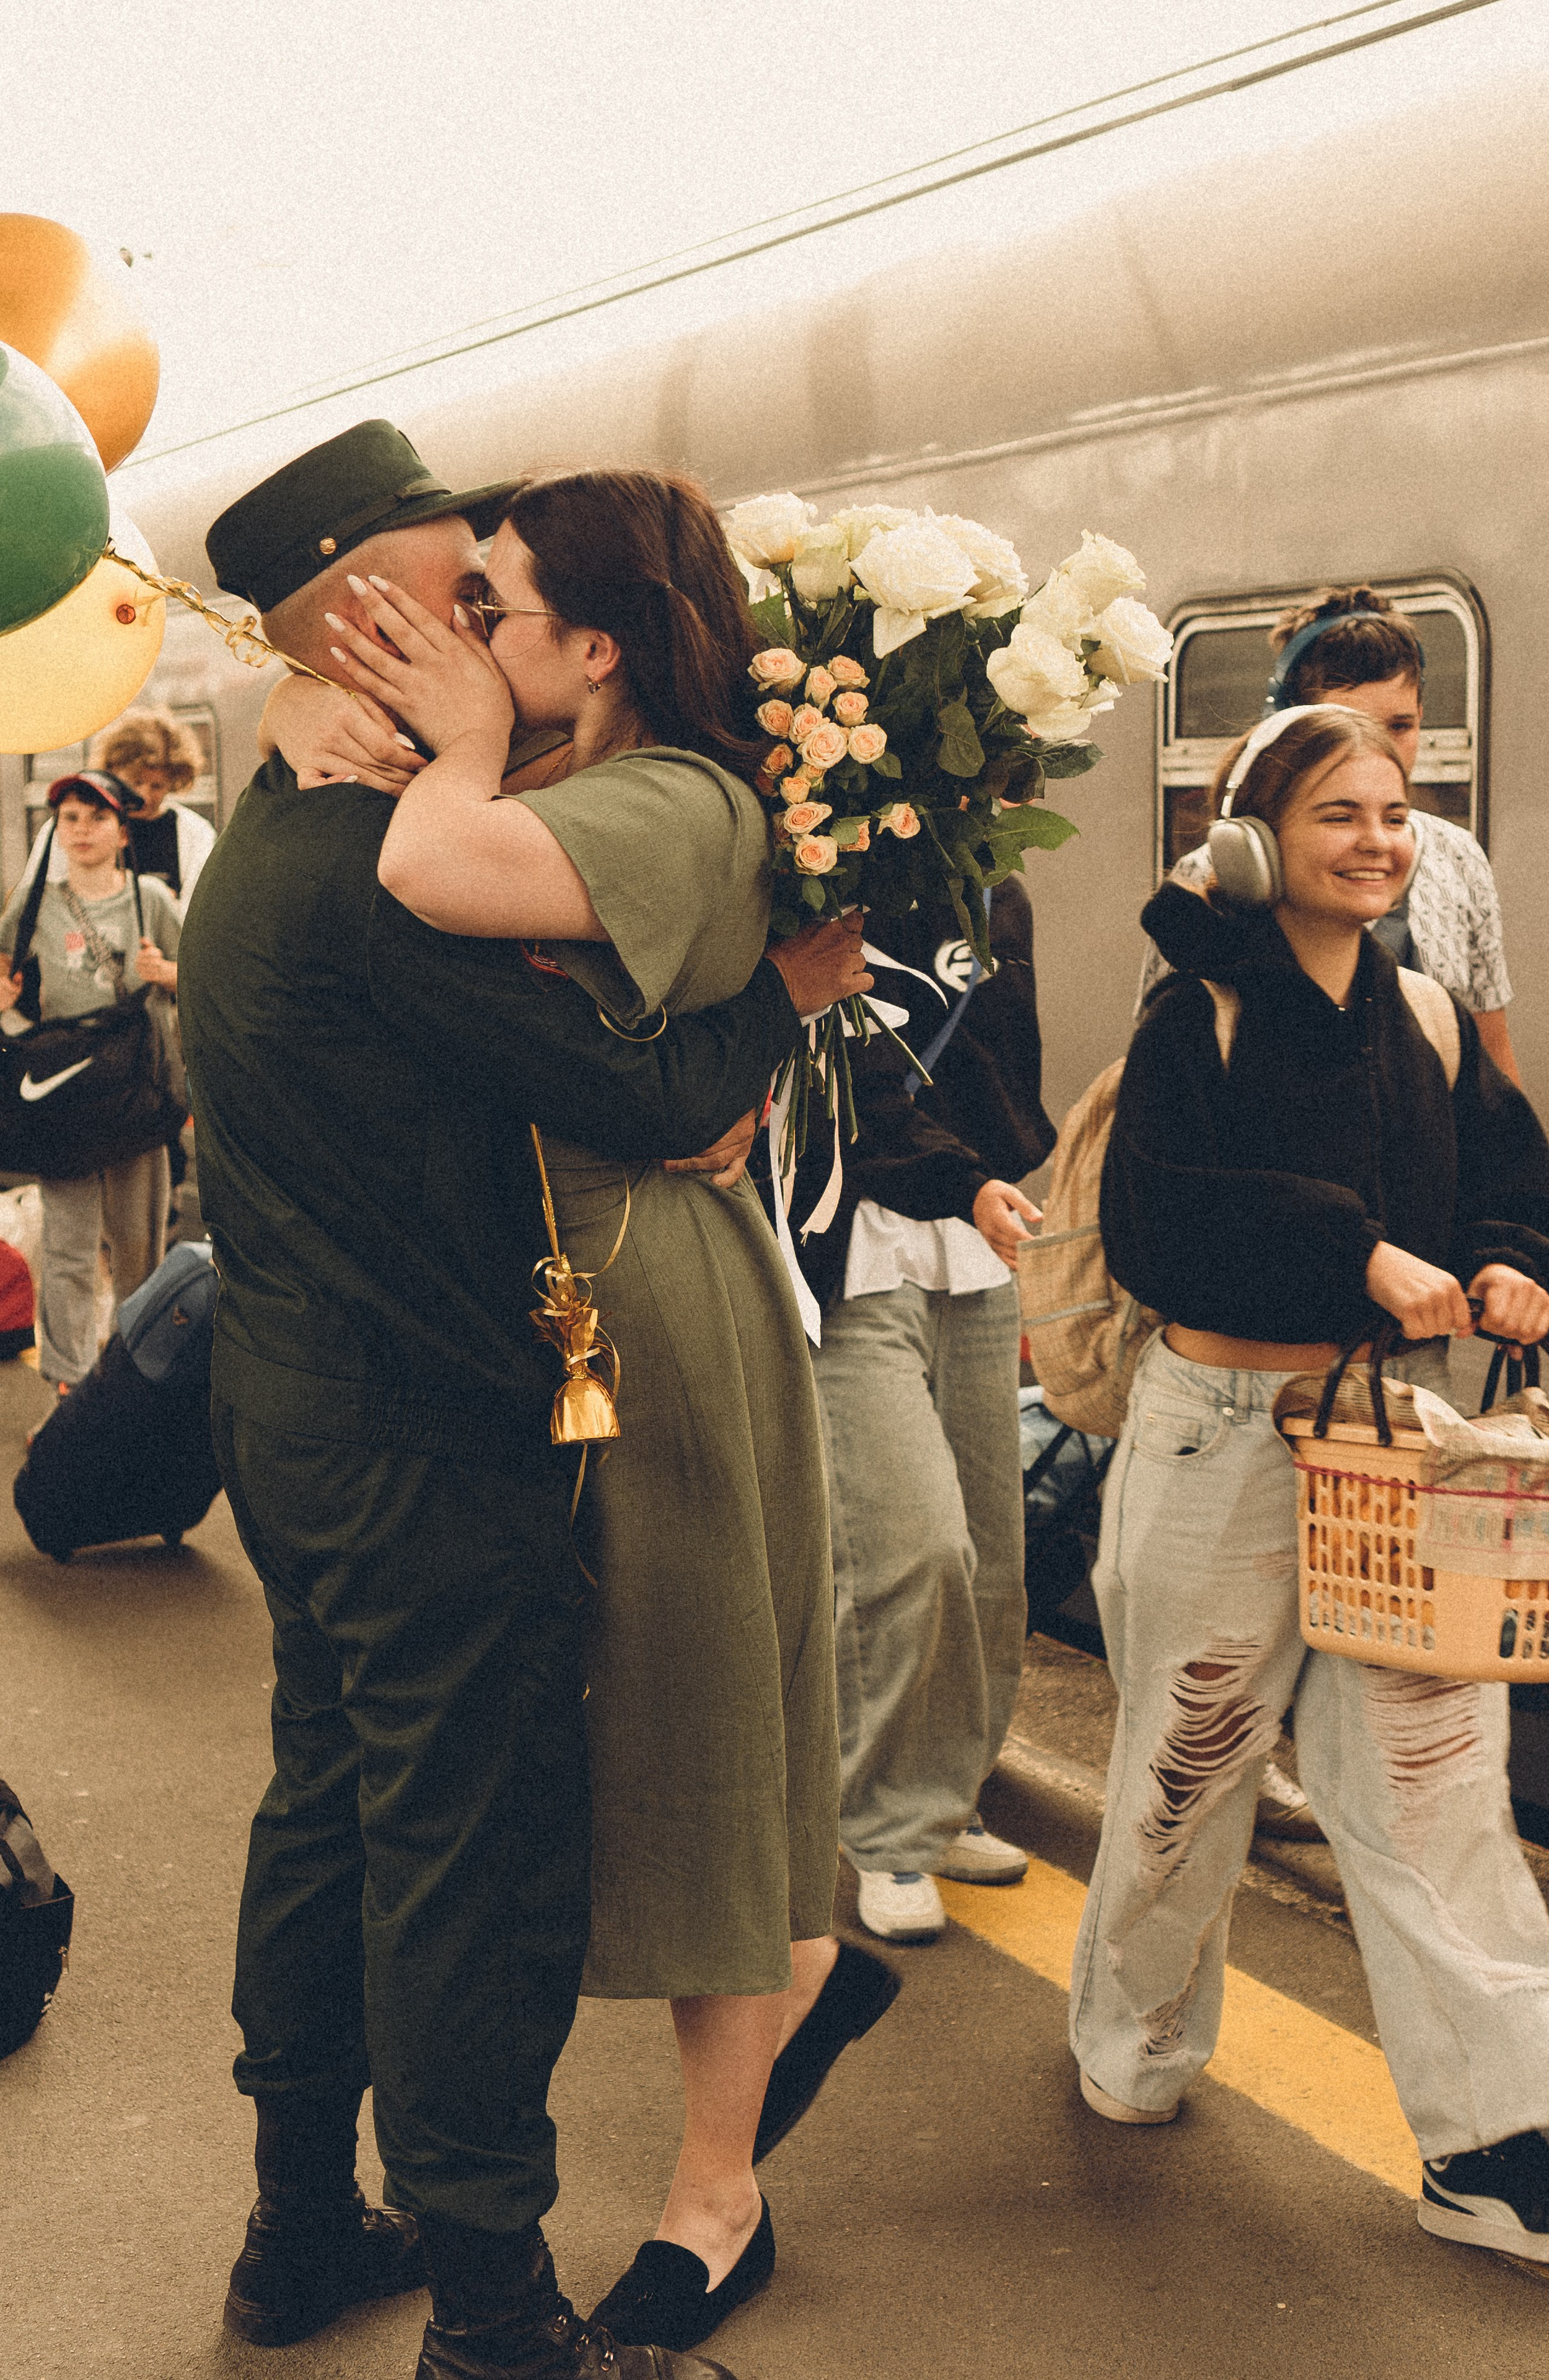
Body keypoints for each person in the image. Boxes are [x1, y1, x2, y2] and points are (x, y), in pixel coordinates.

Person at [188, 420, 869, 2380]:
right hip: (424, 1437)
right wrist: (787, 989)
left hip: (293, 1411)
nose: (485, 615)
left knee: (325, 1809)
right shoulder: (374, 873)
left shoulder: (274, 829)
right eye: (458, 592)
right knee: (457, 1858)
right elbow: (657, 1099)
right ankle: (496, 2310)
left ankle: (302, 2218)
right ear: (382, 616)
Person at [1072, 702, 1549, 2266]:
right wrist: (1347, 1247)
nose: (1376, 841)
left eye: (1392, 811)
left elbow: (1526, 1202)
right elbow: (1158, 1226)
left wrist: (1513, 1276)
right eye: (1334, 817)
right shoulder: (1195, 1017)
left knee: (1432, 1791)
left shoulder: (1425, 1018)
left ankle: (1486, 2140)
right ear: (1254, 844)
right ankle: (1132, 2041)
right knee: (1188, 1766)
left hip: (1397, 1448)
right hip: (1219, 1428)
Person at [773, 882, 1054, 1944]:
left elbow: (1001, 1078)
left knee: (990, 1553)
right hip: (852, 1248)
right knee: (909, 1546)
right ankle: (887, 1829)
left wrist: (1002, 1175)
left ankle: (947, 1794)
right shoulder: (811, 882)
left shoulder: (998, 893)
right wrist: (964, 1176)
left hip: (974, 1246)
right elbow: (842, 1086)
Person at [1141, 585, 1521, 1083]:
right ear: (1291, 730)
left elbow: (1491, 1048)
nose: (1378, 747)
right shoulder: (1216, 869)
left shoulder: (1460, 858)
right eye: (1351, 724)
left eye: (1400, 725)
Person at [0, 772, 181, 1393]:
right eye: (69, 818)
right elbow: (7, 986)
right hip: (66, 1101)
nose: (80, 831)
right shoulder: (31, 908)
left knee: (140, 1252)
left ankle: (132, 1388)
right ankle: (69, 1397)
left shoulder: (150, 900)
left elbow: (206, 979)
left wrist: (170, 974)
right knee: (70, 1254)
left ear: (123, 831)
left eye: (96, 818)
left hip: (136, 1095)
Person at [20, 706, 217, 921]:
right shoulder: (70, 825)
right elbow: (38, 896)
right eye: (136, 782)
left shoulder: (195, 833)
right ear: (111, 772)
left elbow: (199, 913)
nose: (145, 796)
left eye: (157, 786)